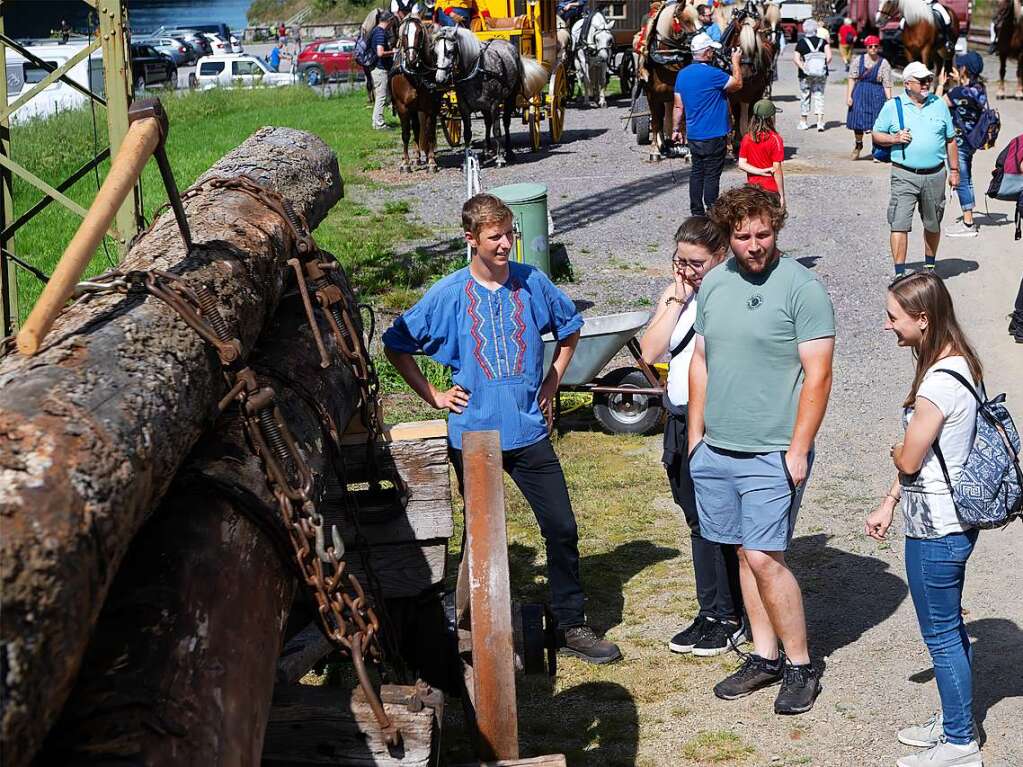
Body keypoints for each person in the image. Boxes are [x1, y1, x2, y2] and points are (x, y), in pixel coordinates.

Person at [382, 194, 623, 666]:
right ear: (470, 239)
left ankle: (571, 623)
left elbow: (570, 326)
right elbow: (397, 343)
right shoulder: (449, 293)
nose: (506, 244)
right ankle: (474, 627)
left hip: (529, 431)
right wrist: (433, 396)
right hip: (474, 437)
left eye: (510, 233)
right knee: (480, 538)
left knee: (562, 526)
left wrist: (554, 377)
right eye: (495, 237)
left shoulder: (532, 282)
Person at [690, 185, 836, 716]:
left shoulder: (802, 287)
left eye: (764, 234)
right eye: (742, 236)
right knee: (741, 554)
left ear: (777, 229)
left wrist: (798, 448)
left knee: (764, 556)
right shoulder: (715, 284)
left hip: (774, 449)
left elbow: (818, 376)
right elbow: (701, 360)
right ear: (727, 235)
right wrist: (695, 440)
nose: (754, 245)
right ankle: (764, 654)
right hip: (718, 448)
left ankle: (801, 665)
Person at [865, 272, 985, 767]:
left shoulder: (938, 382)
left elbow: (912, 457)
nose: (887, 325)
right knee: (950, 627)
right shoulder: (960, 364)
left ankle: (960, 744)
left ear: (922, 319)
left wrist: (896, 451)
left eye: (894, 317)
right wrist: (891, 500)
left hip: (938, 528)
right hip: (946, 518)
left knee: (940, 633)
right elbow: (931, 457)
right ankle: (954, 721)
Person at [639, 217, 746, 658]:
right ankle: (711, 611)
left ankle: (731, 615)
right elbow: (649, 351)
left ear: (720, 257)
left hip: (715, 422)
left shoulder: (727, 298)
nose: (686, 270)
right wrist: (674, 300)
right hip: (679, 420)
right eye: (679, 261)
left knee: (720, 523)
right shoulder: (679, 296)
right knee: (696, 521)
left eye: (696, 263)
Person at [872, 61, 959, 276]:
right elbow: (876, 134)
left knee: (933, 223)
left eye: (929, 80)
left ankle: (929, 266)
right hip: (904, 174)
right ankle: (900, 273)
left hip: (936, 174)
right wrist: (893, 138)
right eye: (922, 81)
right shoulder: (893, 106)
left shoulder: (939, 104)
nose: (927, 84)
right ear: (908, 83)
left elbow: (950, 140)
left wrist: (955, 171)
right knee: (899, 223)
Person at [672, 33, 744, 215]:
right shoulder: (714, 75)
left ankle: (696, 211)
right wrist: (736, 61)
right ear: (706, 53)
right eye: (711, 50)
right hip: (714, 134)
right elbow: (737, 84)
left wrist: (675, 129)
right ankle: (712, 208)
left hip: (694, 134)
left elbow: (678, 106)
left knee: (697, 172)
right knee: (712, 173)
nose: (712, 53)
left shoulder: (682, 75)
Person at [944, 51, 988, 238]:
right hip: (972, 142)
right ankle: (968, 214)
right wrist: (961, 82)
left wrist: (940, 85)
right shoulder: (980, 90)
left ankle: (968, 223)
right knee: (967, 178)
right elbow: (967, 99)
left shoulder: (957, 92)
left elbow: (939, 104)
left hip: (958, 143)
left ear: (965, 70)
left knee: (960, 179)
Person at [845, 35, 893, 160]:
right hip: (860, 92)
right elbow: (851, 78)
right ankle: (858, 145)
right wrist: (849, 96)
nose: (873, 48)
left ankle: (876, 151)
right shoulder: (858, 60)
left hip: (876, 94)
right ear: (866, 47)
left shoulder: (884, 63)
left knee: (876, 124)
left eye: (875, 46)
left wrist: (889, 100)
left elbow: (887, 83)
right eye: (870, 46)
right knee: (858, 121)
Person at [738, 99, 786, 209]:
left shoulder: (747, 137)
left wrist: (758, 171)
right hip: (770, 190)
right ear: (771, 118)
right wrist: (782, 195)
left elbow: (741, 163)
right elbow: (777, 169)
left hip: (753, 189)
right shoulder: (775, 139)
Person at [793, 19, 831, 132]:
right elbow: (829, 57)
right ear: (816, 29)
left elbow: (795, 58)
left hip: (805, 75)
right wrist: (822, 66)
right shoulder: (823, 42)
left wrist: (803, 67)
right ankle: (820, 122)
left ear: (804, 30)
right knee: (819, 95)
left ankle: (804, 122)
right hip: (821, 74)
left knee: (805, 96)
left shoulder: (801, 42)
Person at [370, 12, 396, 130]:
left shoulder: (376, 30)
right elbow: (380, 53)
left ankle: (376, 122)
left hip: (377, 68)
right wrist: (394, 52)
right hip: (380, 69)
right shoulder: (380, 33)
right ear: (389, 20)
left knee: (381, 96)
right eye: (392, 22)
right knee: (381, 96)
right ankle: (378, 124)